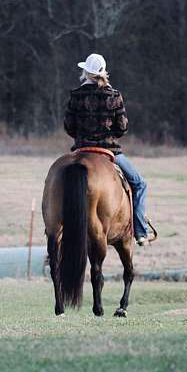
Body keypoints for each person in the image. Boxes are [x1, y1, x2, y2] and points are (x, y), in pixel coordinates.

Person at [63, 53, 150, 246]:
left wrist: (82, 136)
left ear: (86, 72)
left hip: (82, 149)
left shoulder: (76, 95)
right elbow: (122, 127)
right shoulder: (114, 95)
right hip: (110, 151)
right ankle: (140, 232)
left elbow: (69, 126)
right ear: (103, 73)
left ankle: (57, 232)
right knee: (139, 184)